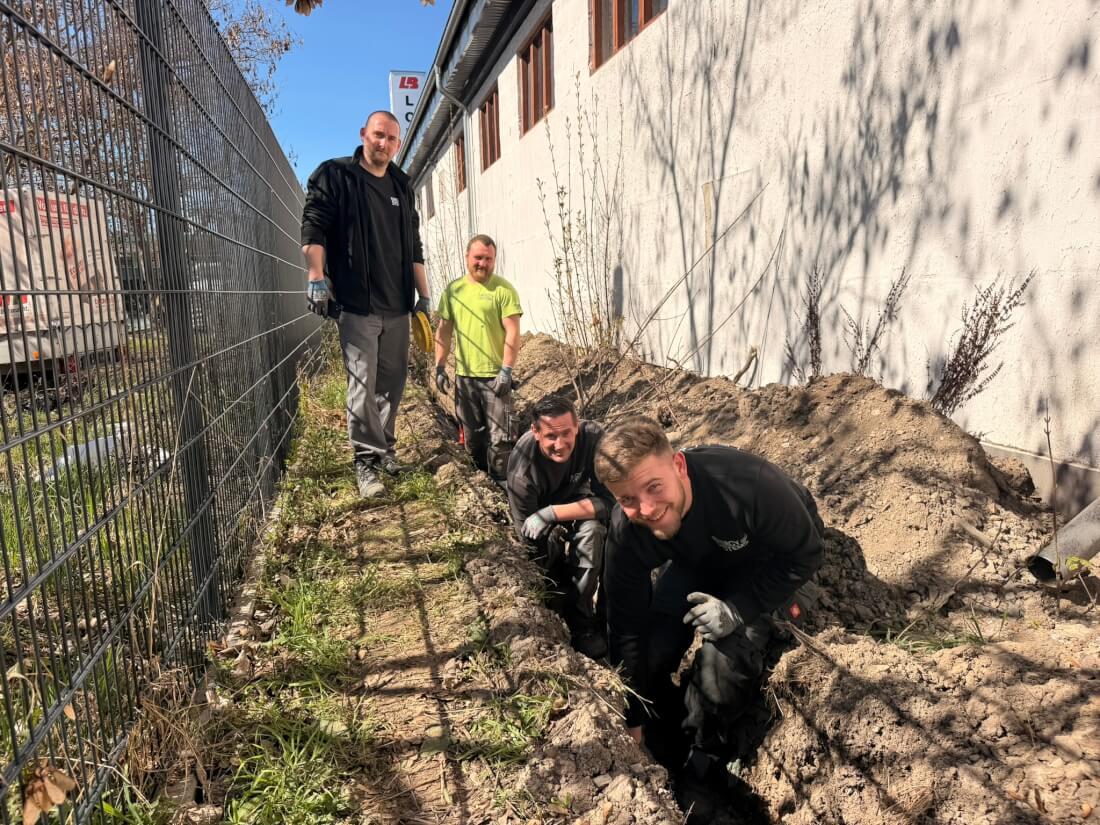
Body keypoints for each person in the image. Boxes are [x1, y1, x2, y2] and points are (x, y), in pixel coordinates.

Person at [594, 416, 824, 797]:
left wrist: (737, 609)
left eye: (654, 487)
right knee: (654, 645)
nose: (647, 509)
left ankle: (706, 752)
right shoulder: (627, 532)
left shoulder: (747, 486)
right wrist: (632, 719)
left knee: (723, 660)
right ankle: (660, 725)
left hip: (772, 558)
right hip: (701, 556)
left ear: (678, 466)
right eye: (628, 499)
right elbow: (626, 626)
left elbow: (805, 554)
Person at [300, 111, 431, 499]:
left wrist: (424, 297)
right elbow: (313, 227)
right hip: (357, 305)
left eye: (392, 139)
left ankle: (386, 448)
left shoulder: (402, 186)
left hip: (398, 305)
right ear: (363, 134)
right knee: (362, 383)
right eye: (378, 135)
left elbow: (414, 247)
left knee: (391, 384)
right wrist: (316, 276)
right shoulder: (335, 177)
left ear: (398, 144)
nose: (384, 144)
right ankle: (366, 462)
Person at [507, 395, 613, 659]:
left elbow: (612, 503)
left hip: (578, 502)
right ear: (535, 432)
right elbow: (529, 542)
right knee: (544, 554)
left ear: (576, 426)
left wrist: (553, 512)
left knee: (593, 533)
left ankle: (583, 619)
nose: (560, 444)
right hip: (536, 517)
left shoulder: (593, 438)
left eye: (566, 434)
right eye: (551, 437)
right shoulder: (523, 471)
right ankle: (556, 606)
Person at [433, 234, 521, 482]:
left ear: (494, 260)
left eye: (489, 259)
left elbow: (513, 332)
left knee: (501, 439)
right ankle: (480, 480)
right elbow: (444, 331)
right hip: (465, 379)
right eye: (478, 258)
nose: (483, 263)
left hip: (495, 379)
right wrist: (440, 366)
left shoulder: (503, 290)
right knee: (473, 437)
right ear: (467, 257)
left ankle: (503, 484)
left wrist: (506, 370)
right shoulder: (454, 291)